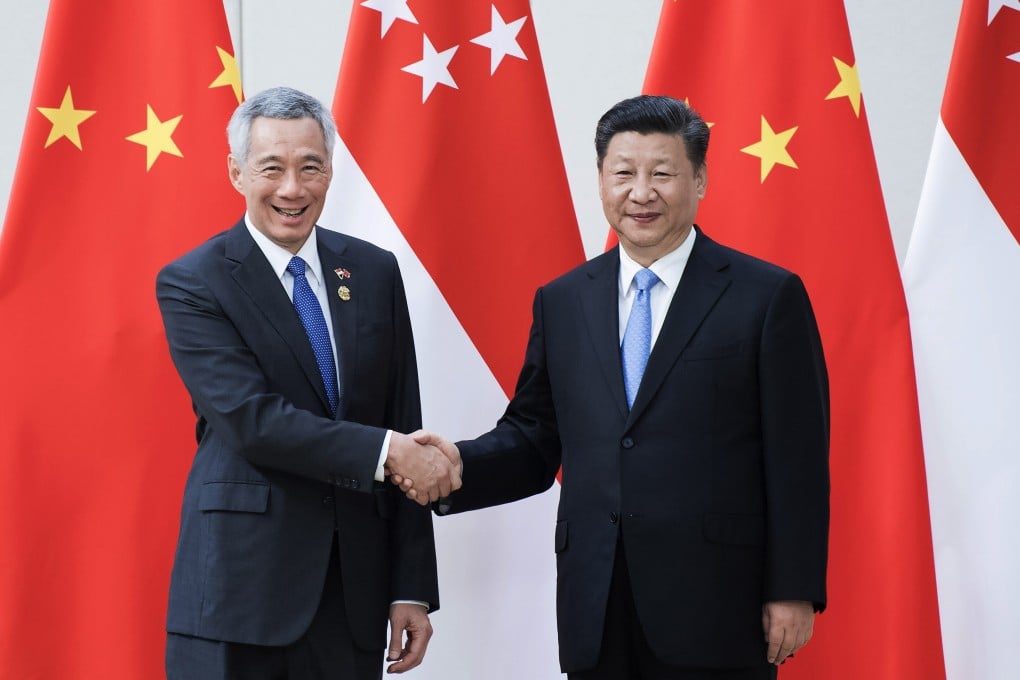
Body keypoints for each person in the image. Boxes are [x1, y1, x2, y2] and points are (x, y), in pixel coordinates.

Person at [408, 95, 830, 679]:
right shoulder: (563, 300)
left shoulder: (765, 296)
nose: (641, 192)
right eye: (623, 173)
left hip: (718, 606)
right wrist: (455, 467)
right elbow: (535, 436)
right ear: (602, 181)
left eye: (662, 173)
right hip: (596, 603)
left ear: (700, 180)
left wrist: (794, 587)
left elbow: (798, 456)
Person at [156, 86, 460, 680]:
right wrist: (387, 451)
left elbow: (403, 414)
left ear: (330, 171)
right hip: (238, 596)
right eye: (272, 168)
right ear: (237, 173)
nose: (292, 189)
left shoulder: (373, 270)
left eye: (310, 167)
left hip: (351, 598)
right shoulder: (195, 282)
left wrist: (412, 585)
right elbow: (252, 421)